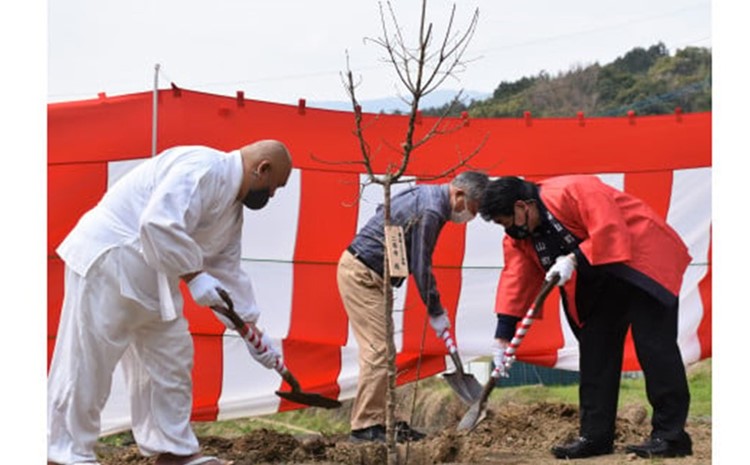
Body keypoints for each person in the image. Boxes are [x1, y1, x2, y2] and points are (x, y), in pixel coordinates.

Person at [47, 140, 293, 465]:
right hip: (109, 257)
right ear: (262, 169)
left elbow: (226, 270)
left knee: (171, 358)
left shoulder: (232, 213)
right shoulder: (202, 166)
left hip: (154, 276)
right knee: (88, 359)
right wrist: (194, 276)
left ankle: (173, 451)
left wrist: (251, 329)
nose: (272, 195)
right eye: (274, 186)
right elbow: (157, 224)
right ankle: (62, 452)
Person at [478, 175, 693, 460]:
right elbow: (516, 278)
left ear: (523, 206)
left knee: (654, 346)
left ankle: (671, 436)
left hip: (642, 262)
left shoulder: (575, 190)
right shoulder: (519, 237)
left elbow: (609, 229)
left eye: (507, 221)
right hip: (600, 281)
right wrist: (503, 335)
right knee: (595, 351)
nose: (509, 231)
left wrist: (573, 258)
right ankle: (595, 436)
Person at [337, 171, 489, 443]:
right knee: (379, 351)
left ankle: (384, 422)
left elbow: (383, 210)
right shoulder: (432, 209)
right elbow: (422, 264)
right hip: (362, 274)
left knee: (384, 351)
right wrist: (436, 310)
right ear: (460, 195)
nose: (470, 217)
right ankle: (365, 427)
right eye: (473, 210)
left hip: (375, 275)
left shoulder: (425, 194)